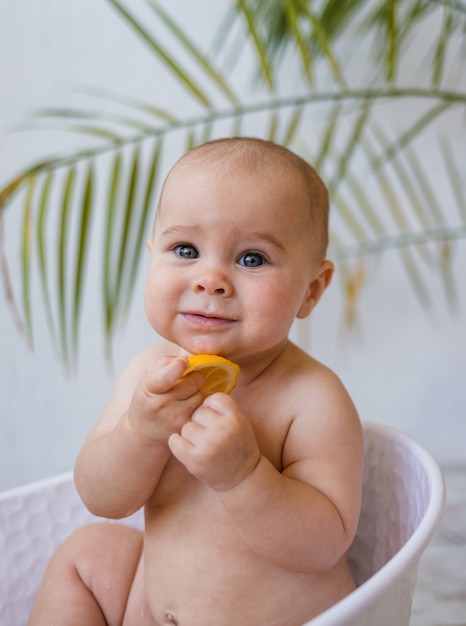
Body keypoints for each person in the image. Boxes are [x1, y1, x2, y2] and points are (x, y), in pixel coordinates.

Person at [29, 137, 363, 626]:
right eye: (185, 249)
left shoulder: (310, 398)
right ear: (152, 256)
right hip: (144, 608)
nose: (210, 279)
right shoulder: (151, 374)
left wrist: (244, 476)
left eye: (251, 258)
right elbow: (102, 498)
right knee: (88, 552)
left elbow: (323, 545)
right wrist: (139, 433)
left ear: (310, 291)